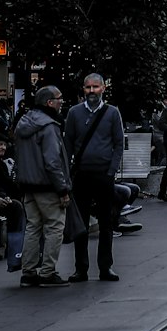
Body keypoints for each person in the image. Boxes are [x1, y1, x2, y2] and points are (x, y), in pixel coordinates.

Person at [63, 73, 125, 284]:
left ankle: (105, 267)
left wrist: (111, 171)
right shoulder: (74, 113)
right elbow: (67, 144)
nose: (91, 91)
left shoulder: (112, 113)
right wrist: (67, 173)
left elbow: (118, 144)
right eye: (88, 87)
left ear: (103, 89)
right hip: (81, 174)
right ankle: (81, 268)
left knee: (106, 222)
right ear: (83, 89)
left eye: (95, 87)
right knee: (79, 223)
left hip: (103, 175)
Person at [14, 85, 72, 286]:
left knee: (32, 227)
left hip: (28, 184)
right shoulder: (49, 126)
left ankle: (28, 272)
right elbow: (52, 161)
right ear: (49, 102)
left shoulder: (23, 122)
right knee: (55, 226)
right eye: (59, 98)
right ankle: (48, 271)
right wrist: (62, 188)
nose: (61, 101)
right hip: (47, 186)